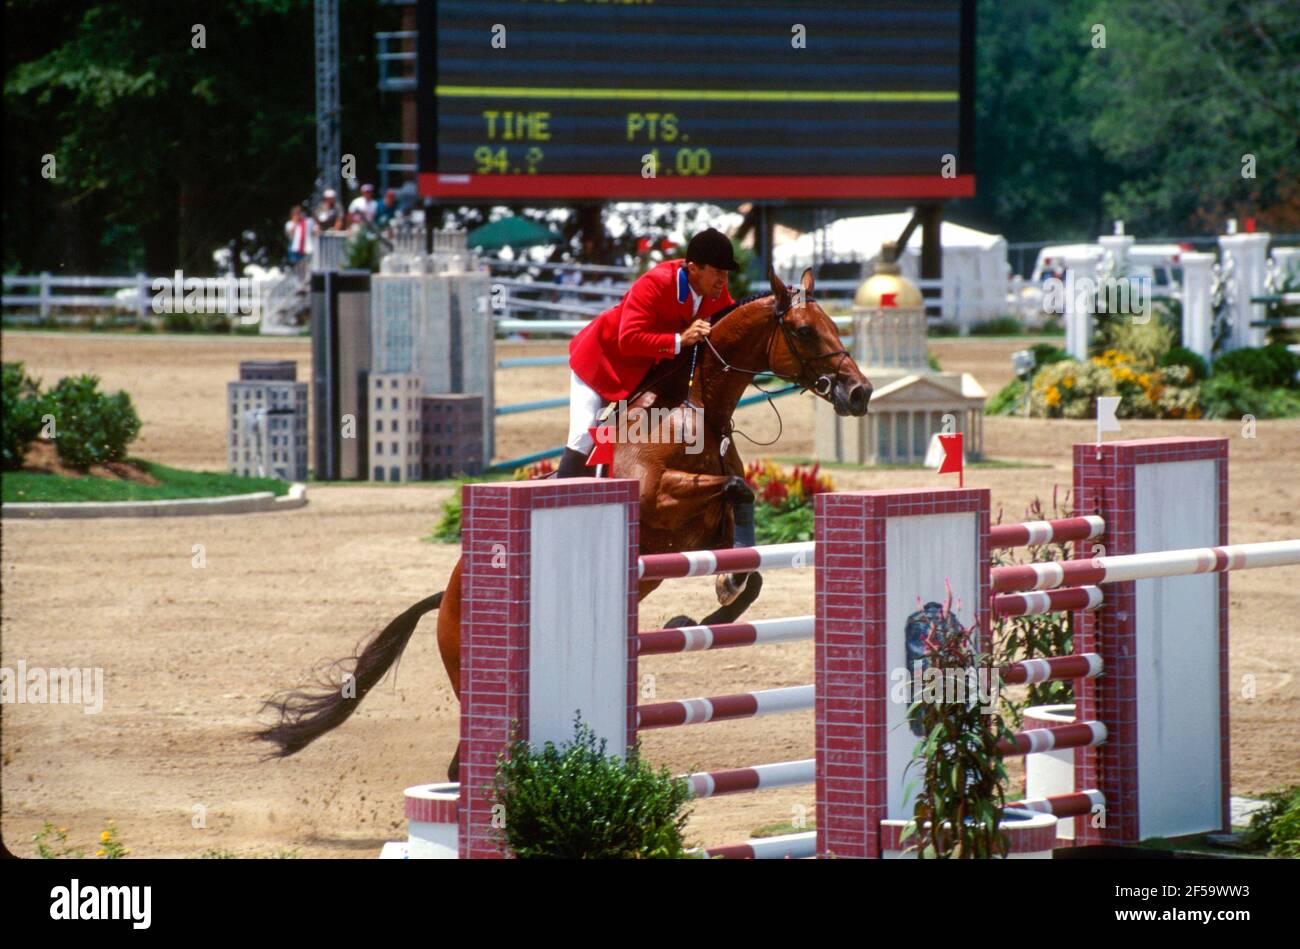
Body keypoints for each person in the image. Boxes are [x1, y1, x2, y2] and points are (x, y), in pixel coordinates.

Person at [562, 227, 755, 547]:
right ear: (694, 268)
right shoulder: (655, 283)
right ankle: (559, 512)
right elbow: (628, 339)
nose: (723, 280)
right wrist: (681, 340)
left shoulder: (715, 289)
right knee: (584, 435)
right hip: (601, 363)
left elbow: (727, 328)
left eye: (725, 272)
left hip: (648, 371)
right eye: (718, 272)